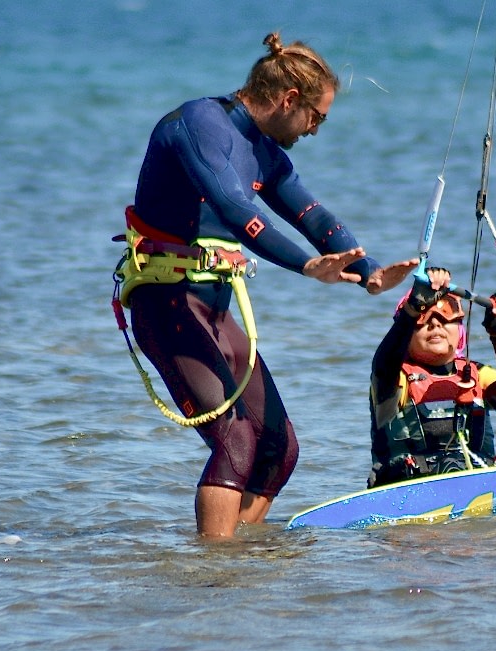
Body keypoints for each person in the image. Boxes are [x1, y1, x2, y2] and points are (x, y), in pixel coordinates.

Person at [118, 32, 416, 538]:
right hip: (165, 303)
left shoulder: (266, 154)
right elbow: (236, 211)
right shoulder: (198, 124)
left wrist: (371, 271)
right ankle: (215, 571)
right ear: (289, 99)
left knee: (279, 448)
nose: (316, 131)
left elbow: (314, 215)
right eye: (317, 118)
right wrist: (305, 266)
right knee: (234, 441)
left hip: (212, 312)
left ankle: (238, 565)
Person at [367, 268, 496, 488]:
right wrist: (413, 308)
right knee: (452, 466)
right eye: (423, 317)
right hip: (410, 489)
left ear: (460, 328)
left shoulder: (478, 374)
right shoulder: (394, 376)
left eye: (446, 316)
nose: (435, 324)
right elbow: (385, 363)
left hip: (482, 486)